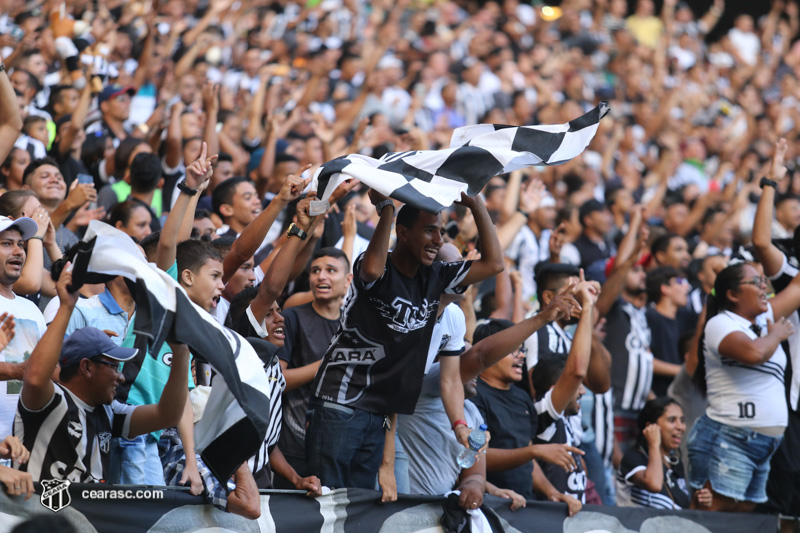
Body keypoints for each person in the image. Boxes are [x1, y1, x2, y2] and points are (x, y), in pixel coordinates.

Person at [306, 191, 504, 492]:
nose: (438, 239)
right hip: (340, 400)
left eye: (440, 231)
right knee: (326, 501)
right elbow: (372, 270)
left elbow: (494, 265)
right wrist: (386, 209)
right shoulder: (375, 264)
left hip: (380, 413)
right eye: (429, 230)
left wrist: (477, 204)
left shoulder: (437, 277)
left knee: (358, 506)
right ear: (403, 232)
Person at [15, 265, 190, 482]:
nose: (121, 377)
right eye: (113, 367)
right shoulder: (49, 401)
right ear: (87, 367)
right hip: (41, 514)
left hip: (84, 516)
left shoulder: (109, 411)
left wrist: (181, 352)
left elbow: (167, 415)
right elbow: (34, 376)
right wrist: (67, 307)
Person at [689, 262, 800, 512]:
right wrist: (777, 335)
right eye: (756, 282)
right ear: (732, 294)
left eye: (764, 281)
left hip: (762, 444)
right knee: (711, 518)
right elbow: (753, 352)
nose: (765, 287)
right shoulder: (721, 323)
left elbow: (798, 287)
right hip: (730, 439)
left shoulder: (764, 319)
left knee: (743, 522)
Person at [276, 247, 352, 483]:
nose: (321, 277)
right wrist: (326, 364)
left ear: (348, 280)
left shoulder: (355, 326)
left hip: (340, 446)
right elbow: (276, 380)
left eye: (331, 270)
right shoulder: (291, 318)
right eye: (315, 271)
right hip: (293, 444)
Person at [529, 274, 599, 504]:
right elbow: (576, 371)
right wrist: (587, 306)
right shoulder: (544, 413)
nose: (583, 392)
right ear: (554, 390)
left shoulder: (568, 422)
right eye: (576, 388)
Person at [616, 397, 712, 510]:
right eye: (672, 420)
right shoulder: (634, 457)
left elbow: (682, 515)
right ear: (651, 427)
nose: (680, 427)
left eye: (682, 420)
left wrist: (696, 504)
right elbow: (654, 484)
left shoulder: (674, 463)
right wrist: (654, 444)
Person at [0, 214, 41, 439]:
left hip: (28, 449)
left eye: (21, 245)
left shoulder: (32, 310)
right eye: (7, 243)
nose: (18, 252)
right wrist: (16, 371)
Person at [646, 267, 690, 397]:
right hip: (658, 394)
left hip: (679, 395)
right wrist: (684, 370)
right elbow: (646, 361)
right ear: (664, 288)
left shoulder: (683, 318)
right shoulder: (650, 317)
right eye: (680, 282)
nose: (686, 287)